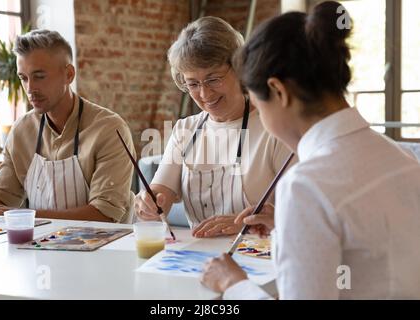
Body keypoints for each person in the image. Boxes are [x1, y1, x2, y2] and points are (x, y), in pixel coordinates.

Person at [201, 1, 420, 299]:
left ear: (279, 91)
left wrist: (233, 284)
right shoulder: (402, 157)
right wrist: (288, 227)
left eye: (258, 104)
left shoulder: (306, 185)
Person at [134, 16, 294, 238]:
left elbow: (304, 216)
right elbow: (161, 195)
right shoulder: (185, 130)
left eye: (213, 79)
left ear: (239, 69)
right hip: (195, 260)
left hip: (259, 259)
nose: (204, 94)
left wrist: (248, 226)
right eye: (193, 84)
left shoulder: (274, 128)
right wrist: (149, 205)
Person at [0, 29, 135, 222]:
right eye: (23, 78)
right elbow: (1, 197)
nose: (30, 89)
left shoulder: (109, 129)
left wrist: (23, 216)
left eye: (39, 76)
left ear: (69, 74)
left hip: (105, 249)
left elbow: (103, 215)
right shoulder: (21, 130)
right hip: (40, 247)